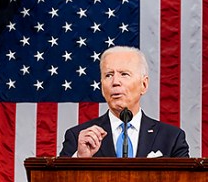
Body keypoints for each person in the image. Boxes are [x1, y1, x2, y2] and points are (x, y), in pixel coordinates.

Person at [59, 46, 189, 158]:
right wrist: (79, 158)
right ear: (102, 87)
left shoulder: (172, 138)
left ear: (143, 85)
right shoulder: (79, 138)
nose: (115, 82)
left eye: (124, 74)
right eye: (108, 75)